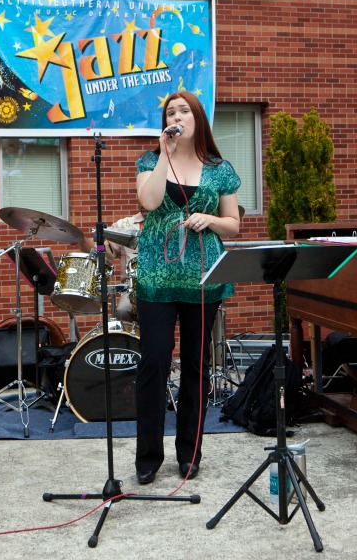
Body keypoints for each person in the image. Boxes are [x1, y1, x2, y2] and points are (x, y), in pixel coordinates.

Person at [133, 91, 241, 484]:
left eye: (183, 110)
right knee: (154, 362)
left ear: (198, 118)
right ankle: (148, 455)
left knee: (197, 366)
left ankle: (189, 452)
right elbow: (149, 200)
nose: (176, 115)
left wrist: (208, 219)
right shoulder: (149, 160)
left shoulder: (219, 168)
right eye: (169, 112)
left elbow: (234, 224)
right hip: (157, 278)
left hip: (202, 278)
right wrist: (165, 152)